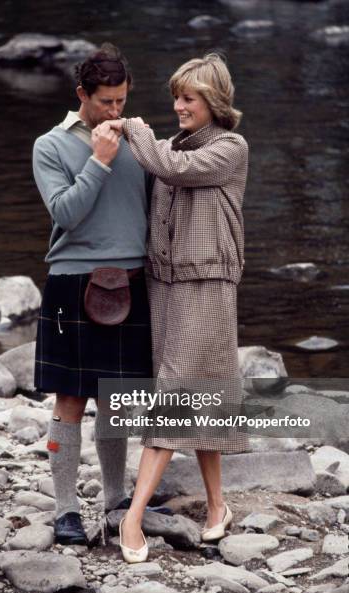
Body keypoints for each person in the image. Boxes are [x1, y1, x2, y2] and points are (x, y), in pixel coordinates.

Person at [103, 53, 249, 562]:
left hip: (207, 285)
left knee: (175, 393)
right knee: (200, 391)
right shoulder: (167, 148)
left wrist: (136, 129)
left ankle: (134, 519)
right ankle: (216, 508)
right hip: (165, 286)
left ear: (213, 101)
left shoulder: (229, 148)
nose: (178, 106)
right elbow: (151, 171)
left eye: (188, 98)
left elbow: (172, 168)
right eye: (176, 97)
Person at [32, 43, 169, 546]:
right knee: (70, 397)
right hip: (73, 280)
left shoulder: (139, 141)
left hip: (131, 279)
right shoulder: (50, 145)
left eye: (122, 100)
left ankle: (114, 501)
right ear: (82, 95)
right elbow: (65, 214)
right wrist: (100, 160)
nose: (116, 111)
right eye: (106, 101)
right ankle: (66, 509)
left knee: (118, 401)